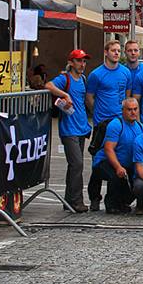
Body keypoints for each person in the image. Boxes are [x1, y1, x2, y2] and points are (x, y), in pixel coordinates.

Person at [45, 49, 92, 212]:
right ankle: (76, 200)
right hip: (69, 129)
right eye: (79, 61)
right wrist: (64, 94)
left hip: (81, 127)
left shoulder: (83, 79)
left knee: (75, 166)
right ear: (71, 62)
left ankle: (69, 199)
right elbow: (48, 85)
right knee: (77, 164)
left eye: (84, 61)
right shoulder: (65, 78)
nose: (82, 64)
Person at [90, 98, 143, 213]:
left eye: (135, 109)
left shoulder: (141, 127)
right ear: (123, 110)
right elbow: (109, 149)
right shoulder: (116, 124)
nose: (133, 112)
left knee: (134, 187)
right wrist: (118, 167)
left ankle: (123, 202)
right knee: (116, 175)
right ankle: (111, 205)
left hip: (128, 165)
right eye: (129, 110)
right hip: (106, 161)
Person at [87, 40, 133, 126]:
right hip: (101, 121)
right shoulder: (96, 74)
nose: (116, 53)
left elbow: (127, 95)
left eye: (119, 51)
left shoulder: (126, 72)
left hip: (120, 120)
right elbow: (89, 98)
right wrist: (97, 111)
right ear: (105, 52)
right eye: (113, 50)